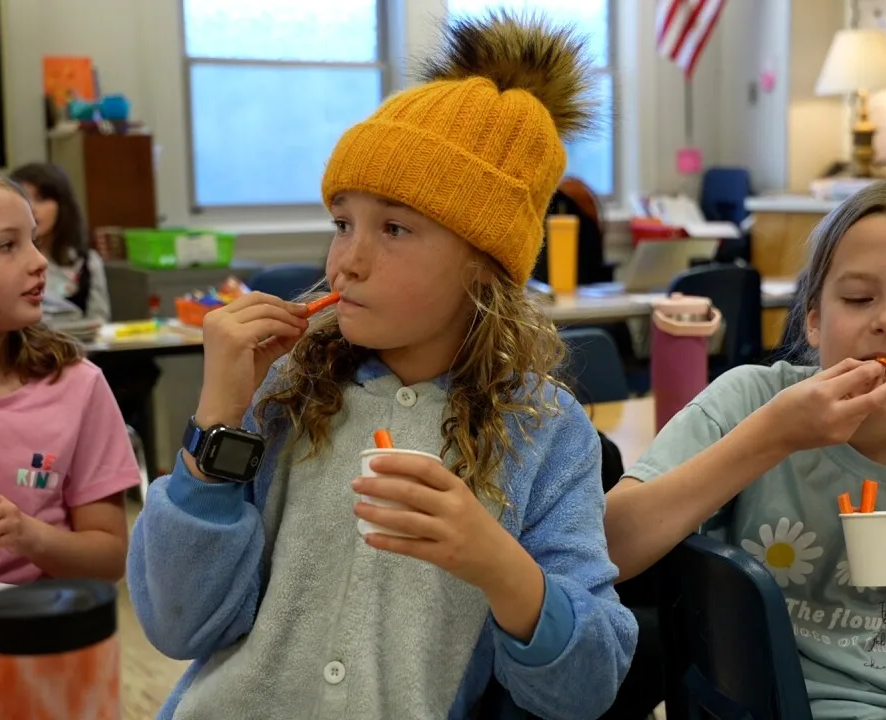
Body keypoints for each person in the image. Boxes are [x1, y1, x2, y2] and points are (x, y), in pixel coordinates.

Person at [127, 14, 636, 720]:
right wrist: (217, 423)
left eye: (394, 229)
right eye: (342, 223)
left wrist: (499, 565)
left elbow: (587, 687)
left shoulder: (546, 432)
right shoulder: (286, 393)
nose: (346, 261)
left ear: (483, 269)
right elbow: (181, 627)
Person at [604, 179, 886, 719]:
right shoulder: (750, 400)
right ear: (815, 318)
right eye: (858, 298)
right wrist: (774, 435)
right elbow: (608, 548)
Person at [0, 165, 139, 584]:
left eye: (34, 240)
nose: (39, 262)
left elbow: (108, 560)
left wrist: (26, 535)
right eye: (7, 245)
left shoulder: (76, 385)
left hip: (36, 628)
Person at [7, 163, 110, 321]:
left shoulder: (87, 263)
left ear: (62, 206)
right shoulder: (3, 260)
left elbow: (99, 322)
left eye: (41, 199)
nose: (31, 208)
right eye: (24, 199)